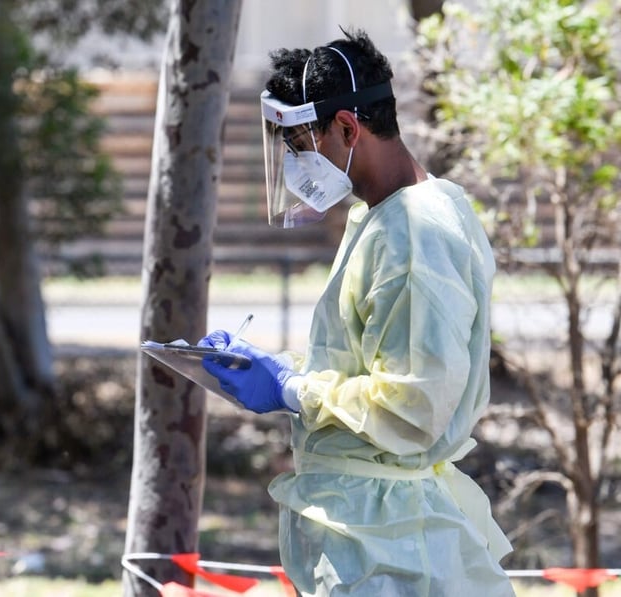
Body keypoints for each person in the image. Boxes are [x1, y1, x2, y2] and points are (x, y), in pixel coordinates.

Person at [199, 29, 516, 596]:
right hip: (375, 538)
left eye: (301, 143)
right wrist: (278, 369)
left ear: (348, 127)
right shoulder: (384, 216)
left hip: (394, 552)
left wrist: (293, 389)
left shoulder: (416, 234)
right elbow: (371, 359)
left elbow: (415, 405)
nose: (296, 163)